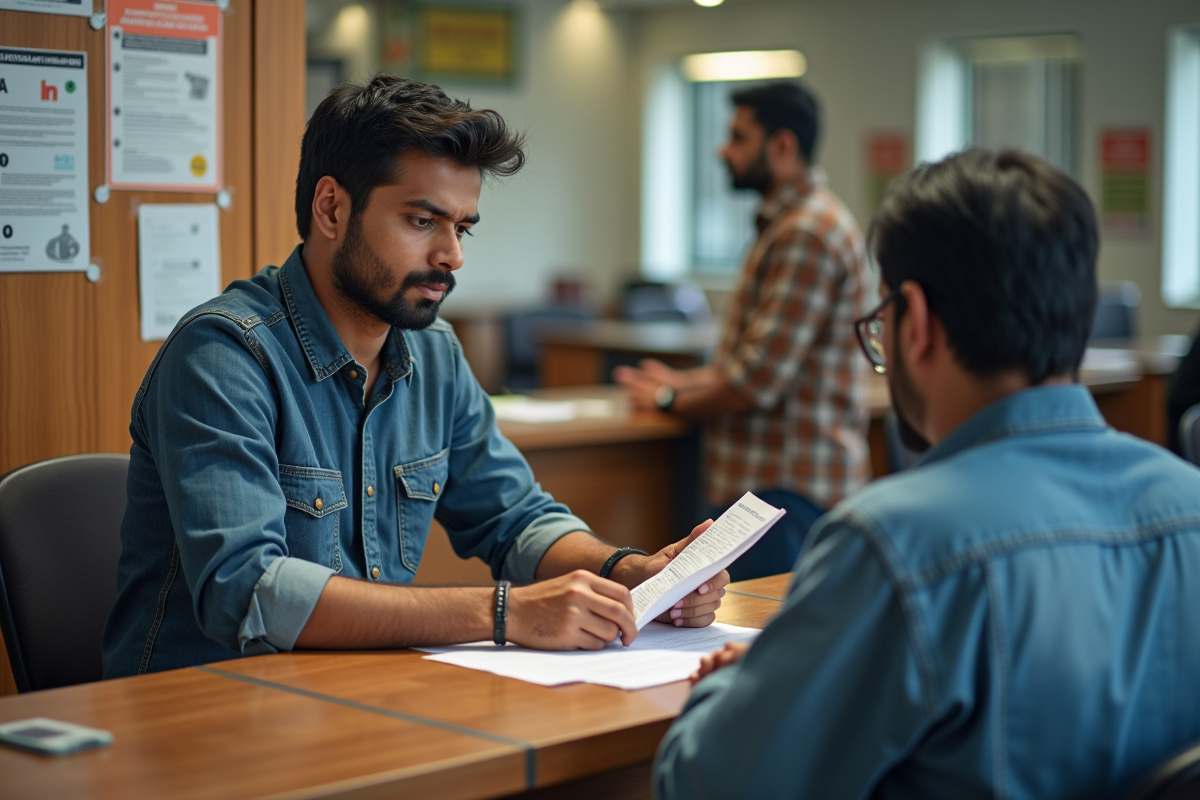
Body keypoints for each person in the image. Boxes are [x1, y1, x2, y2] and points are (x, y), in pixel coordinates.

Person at [102, 76, 728, 678]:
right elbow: (249, 592)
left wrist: (627, 571)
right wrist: (504, 612)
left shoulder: (433, 354)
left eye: (461, 228)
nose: (451, 255)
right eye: (422, 221)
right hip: (199, 718)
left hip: (355, 699)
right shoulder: (223, 355)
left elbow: (514, 517)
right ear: (331, 208)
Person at [654, 149, 1200, 799]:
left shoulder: (893, 543)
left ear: (913, 321)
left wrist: (737, 688)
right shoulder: (1188, 505)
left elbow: (708, 785)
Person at [615, 82, 870, 581]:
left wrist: (670, 397)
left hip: (785, 493)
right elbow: (753, 361)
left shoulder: (805, 231)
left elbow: (757, 381)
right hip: (779, 488)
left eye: (737, 137)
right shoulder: (789, 222)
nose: (722, 150)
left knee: (767, 642)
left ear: (782, 146)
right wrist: (685, 382)